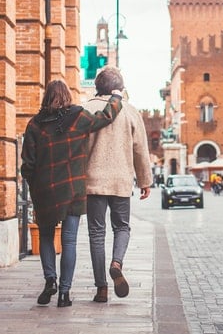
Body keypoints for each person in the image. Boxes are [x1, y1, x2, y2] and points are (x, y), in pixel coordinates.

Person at [21, 80, 123, 307]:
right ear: (68, 95)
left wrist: (36, 185)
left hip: (45, 190)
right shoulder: (79, 117)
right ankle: (64, 294)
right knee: (69, 241)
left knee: (47, 237)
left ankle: (50, 280)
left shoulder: (35, 125)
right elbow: (106, 117)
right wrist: (116, 97)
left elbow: (26, 164)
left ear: (47, 97)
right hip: (72, 189)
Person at [83, 67, 152, 303]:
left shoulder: (85, 109)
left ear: (97, 87)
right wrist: (145, 181)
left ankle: (101, 288)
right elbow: (140, 149)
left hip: (92, 181)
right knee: (122, 228)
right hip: (121, 180)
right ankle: (117, 262)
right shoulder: (130, 111)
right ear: (119, 89)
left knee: (96, 233)